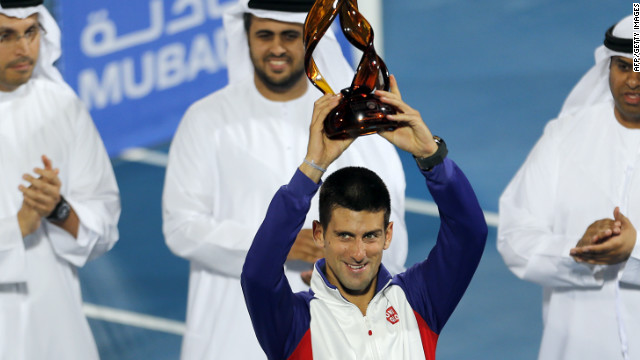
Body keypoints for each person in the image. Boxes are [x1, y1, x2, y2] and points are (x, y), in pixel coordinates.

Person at [162, 0, 408, 358]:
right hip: (231, 335)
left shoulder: (350, 125)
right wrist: (281, 245)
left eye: (290, 36)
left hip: (335, 337)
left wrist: (340, 264)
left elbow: (392, 232)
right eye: (264, 34)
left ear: (311, 41)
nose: (276, 47)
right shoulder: (205, 120)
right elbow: (181, 227)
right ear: (246, 37)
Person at [241, 76, 487, 359]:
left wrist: (430, 155)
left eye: (370, 236)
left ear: (388, 234)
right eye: (345, 235)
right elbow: (257, 275)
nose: (358, 253)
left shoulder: (419, 300)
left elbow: (469, 234)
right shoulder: (295, 323)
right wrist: (312, 167)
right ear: (320, 233)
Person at [498, 14, 640, 360]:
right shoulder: (564, 137)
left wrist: (632, 251)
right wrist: (578, 253)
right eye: (623, 66)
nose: (633, 81)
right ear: (607, 67)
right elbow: (514, 237)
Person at [0, 1, 121, 359]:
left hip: (57, 323)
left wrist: (59, 210)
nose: (24, 49)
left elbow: (105, 223)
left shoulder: (62, 106)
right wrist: (18, 226)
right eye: (6, 35)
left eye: (31, 32)